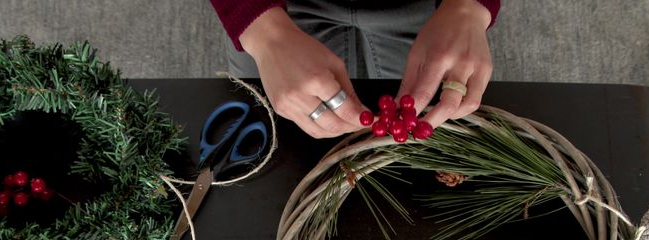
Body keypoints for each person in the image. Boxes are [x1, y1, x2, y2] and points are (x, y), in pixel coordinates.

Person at [209, 0, 498, 139]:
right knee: (272, 136)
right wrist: (264, 32)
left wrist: (467, 7)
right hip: (270, 9)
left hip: (433, 8)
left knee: (437, 123)